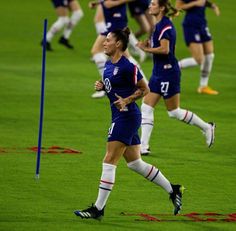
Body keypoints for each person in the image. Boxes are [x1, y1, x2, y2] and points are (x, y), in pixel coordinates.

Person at [74, 27, 185, 220]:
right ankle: (173, 189)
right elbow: (114, 88)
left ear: (118, 44)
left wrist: (127, 100)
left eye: (108, 40)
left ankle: (98, 209)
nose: (104, 42)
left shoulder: (128, 66)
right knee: (135, 163)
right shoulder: (109, 64)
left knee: (109, 160)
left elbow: (145, 89)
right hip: (120, 116)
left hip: (126, 117)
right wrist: (104, 87)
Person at [137, 0, 215, 155]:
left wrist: (147, 49)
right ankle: (143, 146)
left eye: (153, 4)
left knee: (174, 112)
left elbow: (165, 50)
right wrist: (148, 43)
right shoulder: (159, 24)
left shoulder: (165, 26)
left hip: (168, 72)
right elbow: (158, 41)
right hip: (158, 72)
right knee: (146, 107)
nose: (149, 6)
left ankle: (207, 127)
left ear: (161, 8)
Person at [89, 0, 148, 99]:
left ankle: (107, 85)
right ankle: (108, 85)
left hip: (116, 24)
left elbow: (110, 3)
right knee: (124, 56)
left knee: (96, 51)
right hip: (112, 23)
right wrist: (98, 3)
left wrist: (112, 3)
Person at [175, 0, 220, 95]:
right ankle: (173, 66)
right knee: (199, 59)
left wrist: (212, 6)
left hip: (202, 24)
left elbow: (203, 1)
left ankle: (203, 86)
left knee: (210, 55)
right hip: (191, 26)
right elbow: (178, 7)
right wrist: (194, 4)